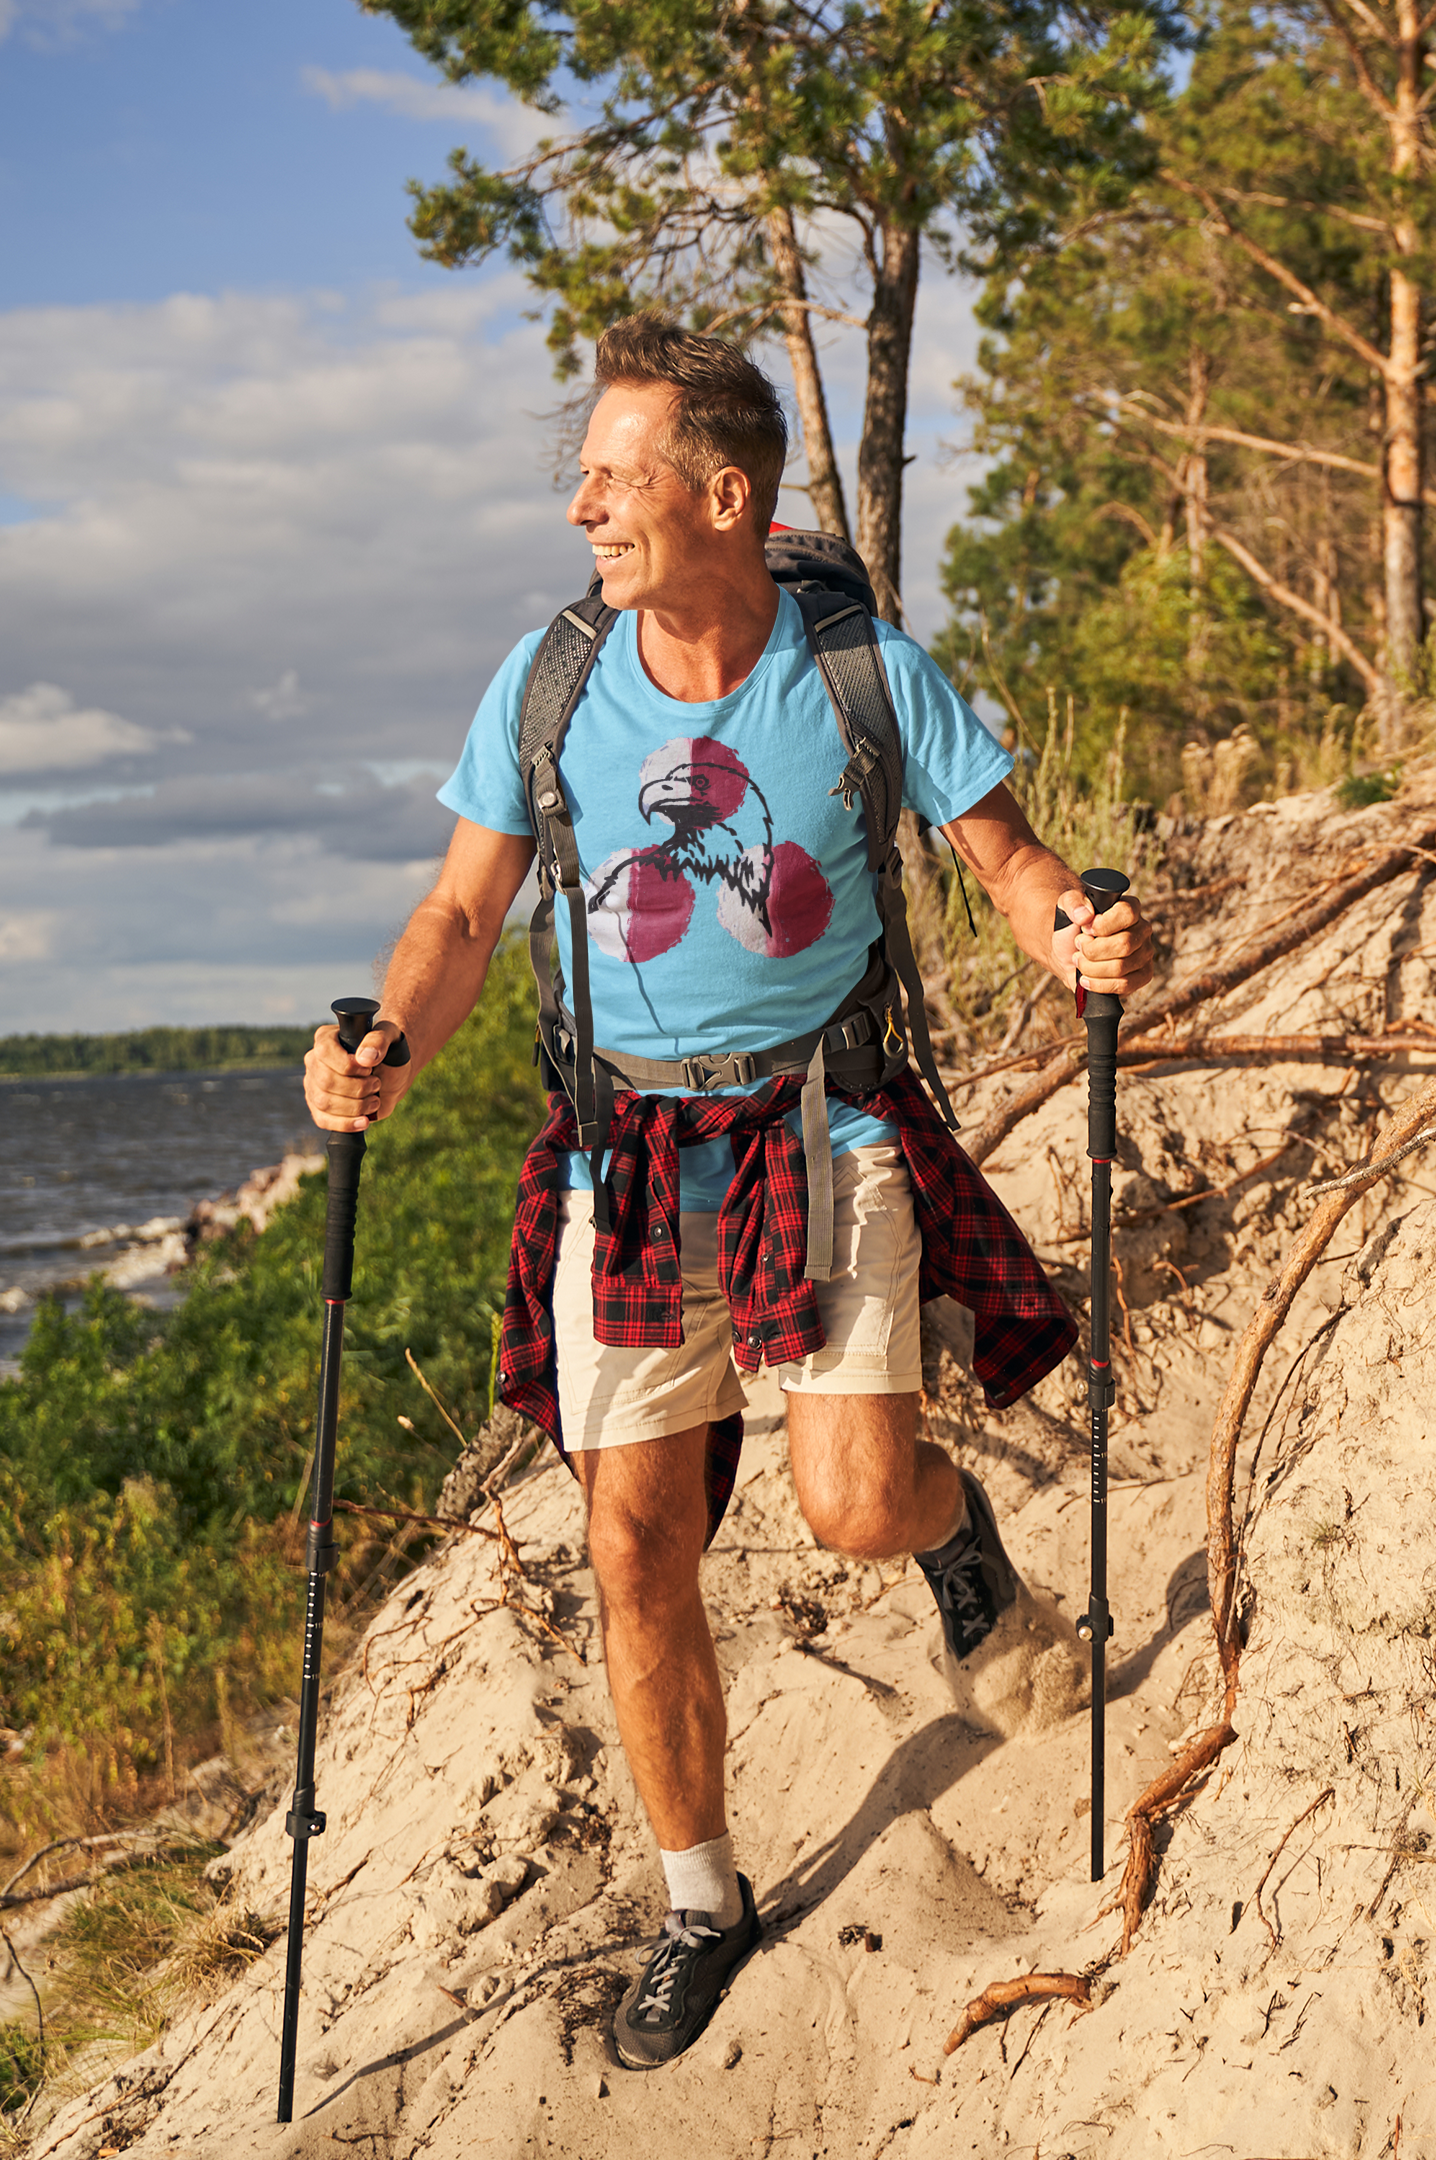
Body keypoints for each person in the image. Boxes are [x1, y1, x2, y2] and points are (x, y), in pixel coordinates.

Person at [303, 314, 1154, 2072]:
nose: (582, 511)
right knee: (635, 1541)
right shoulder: (547, 683)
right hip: (624, 1156)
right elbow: (461, 921)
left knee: (853, 1504)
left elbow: (1005, 860)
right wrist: (383, 1039)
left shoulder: (859, 669)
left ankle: (961, 1546)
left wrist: (1077, 933)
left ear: (723, 494)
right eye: (585, 478)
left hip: (827, 1128)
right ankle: (705, 1898)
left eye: (613, 479)